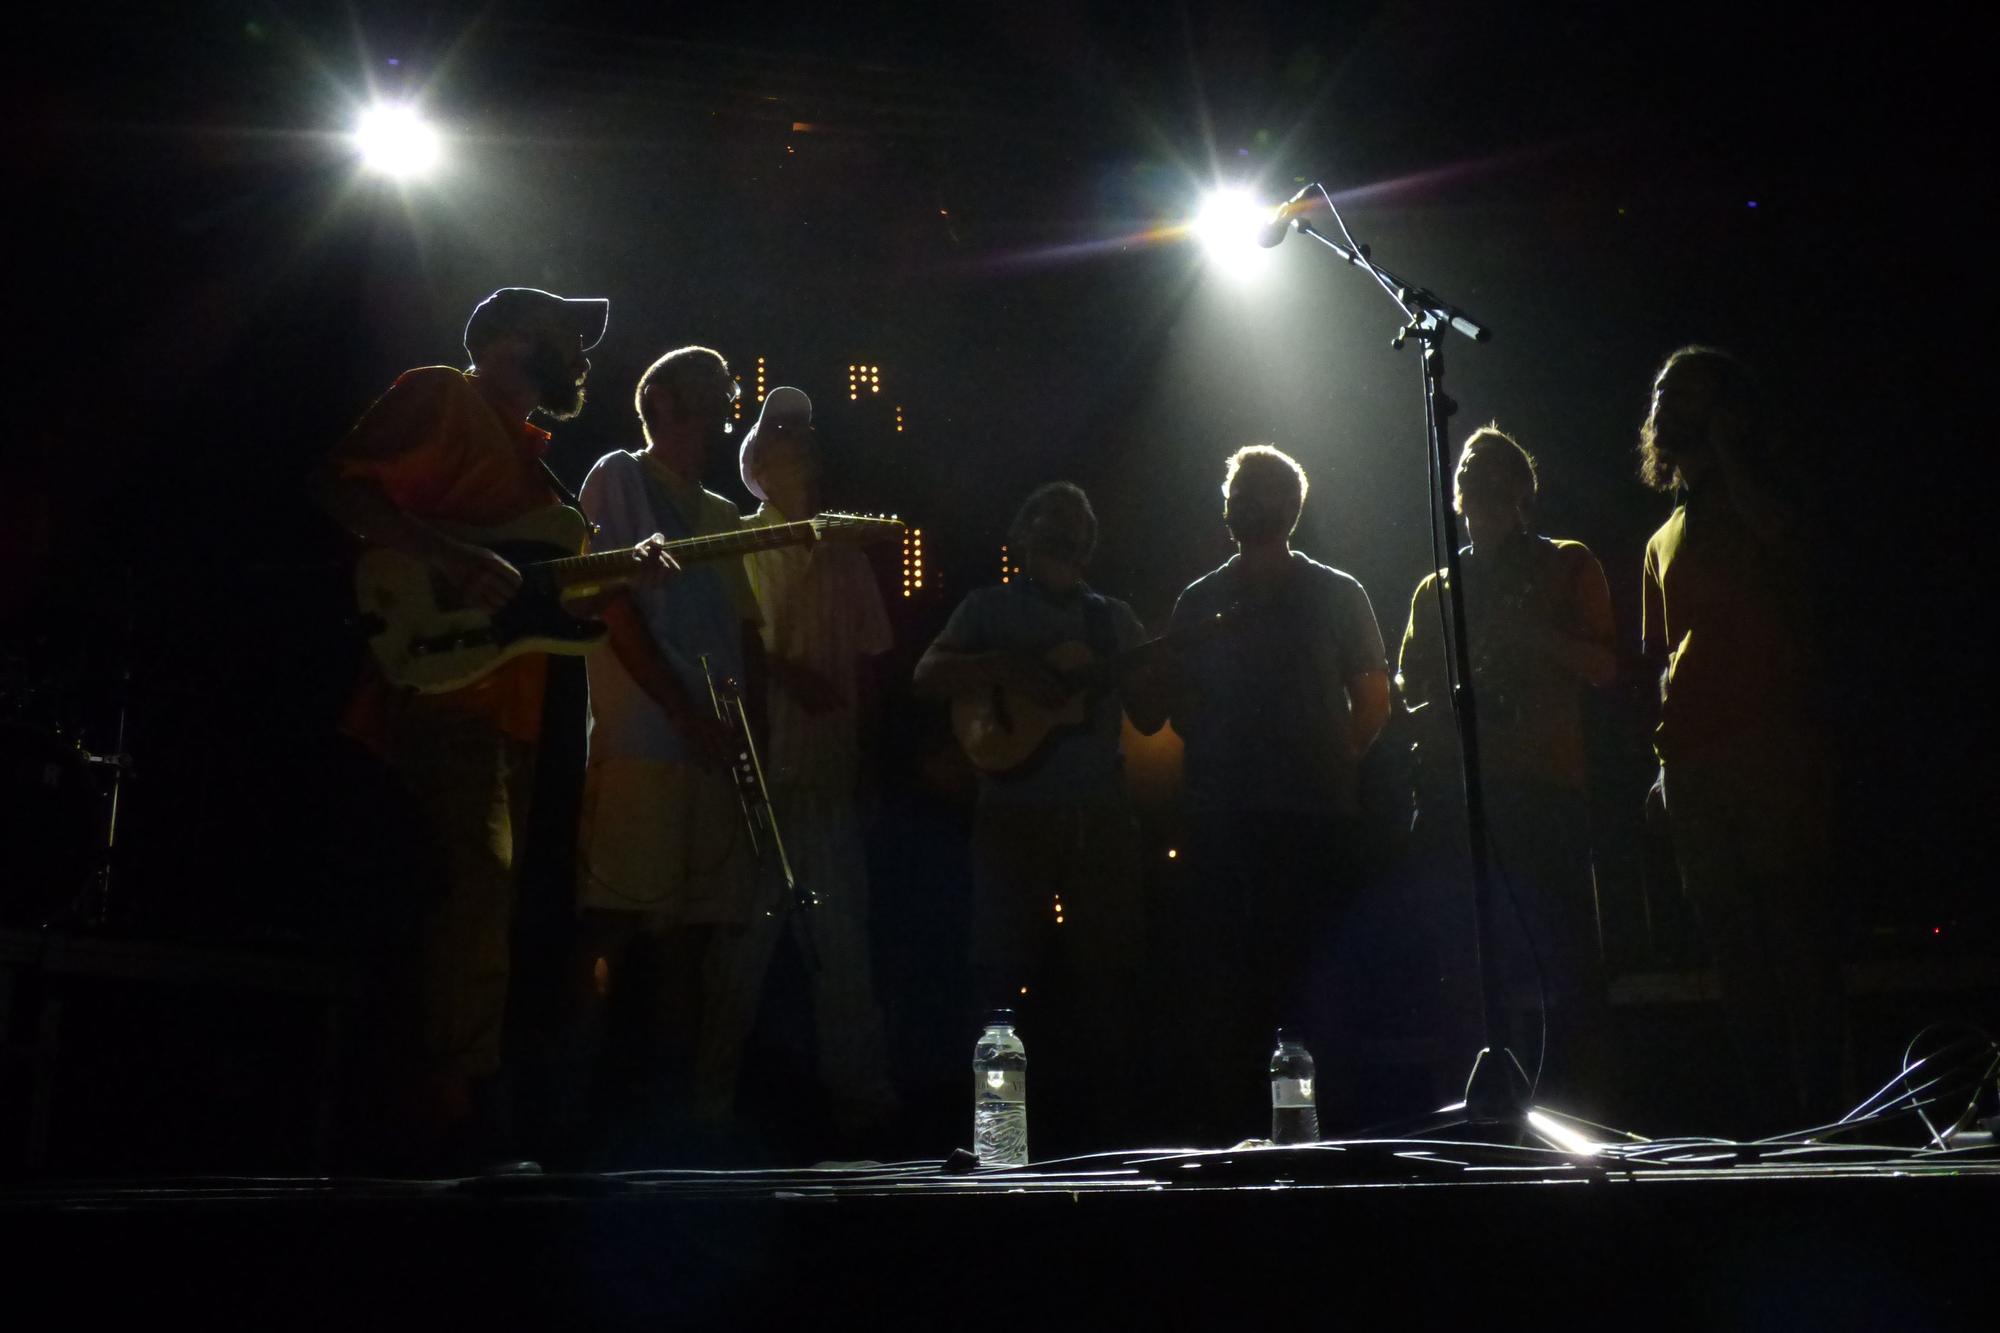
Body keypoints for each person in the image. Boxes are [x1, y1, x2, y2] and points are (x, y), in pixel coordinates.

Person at [313, 287, 678, 1169]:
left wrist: (623, 571)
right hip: (440, 696)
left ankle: (455, 1106)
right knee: (471, 893)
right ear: (512, 336)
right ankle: (445, 1113)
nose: (582, 355)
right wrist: (449, 555)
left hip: (506, 712)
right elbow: (340, 489)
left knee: (483, 906)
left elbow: (543, 591)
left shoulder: (538, 467)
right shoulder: (443, 394)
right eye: (566, 335)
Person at [913, 482, 1162, 1153]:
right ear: (1024, 535)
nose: (1065, 535)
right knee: (996, 977)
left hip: (1098, 820)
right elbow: (926, 673)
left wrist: (1160, 671)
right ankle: (991, 1138)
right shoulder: (988, 609)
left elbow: (1149, 716)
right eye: (1052, 524)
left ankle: (1115, 1140)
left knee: (1109, 977)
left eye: (1077, 526)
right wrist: (1003, 667)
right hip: (1012, 819)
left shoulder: (1115, 619)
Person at [569, 344, 771, 1157]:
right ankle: (572, 1106)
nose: (714, 415)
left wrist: (739, 732)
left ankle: (674, 1127)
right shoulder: (618, 473)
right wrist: (681, 708)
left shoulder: (722, 512)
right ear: (658, 405)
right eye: (698, 398)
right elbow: (609, 602)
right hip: (646, 737)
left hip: (708, 747)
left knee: (689, 936)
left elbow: (748, 633)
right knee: (614, 919)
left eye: (718, 401)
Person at [1637, 345, 1842, 1133]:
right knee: (1736, 958)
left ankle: (1823, 1123)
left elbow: (1794, 550)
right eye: (1661, 391)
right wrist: (1663, 768)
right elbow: (1663, 664)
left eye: (1683, 390)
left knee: (1797, 943)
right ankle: (1770, 1123)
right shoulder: (1660, 538)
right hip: (1693, 764)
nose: (1665, 402)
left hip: (1773, 747)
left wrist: (1730, 451)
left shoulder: (1763, 497)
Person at [1165, 444, 1389, 1137]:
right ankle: (1247, 1129)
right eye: (1243, 491)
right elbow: (1372, 699)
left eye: (1257, 492)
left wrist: (1329, 763)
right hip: (1240, 818)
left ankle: (1311, 1130)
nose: (1247, 504)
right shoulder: (1203, 600)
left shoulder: (1330, 591)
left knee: (1297, 978)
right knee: (1244, 985)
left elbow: (1373, 698)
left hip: (1297, 820)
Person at [1397, 424, 1617, 1111]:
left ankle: (1579, 1109)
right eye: (1468, 480)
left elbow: (1608, 666)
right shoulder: (1438, 587)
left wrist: (1536, 638)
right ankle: (1483, 1115)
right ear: (1456, 497)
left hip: (1547, 789)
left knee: (1564, 962)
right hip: (1467, 797)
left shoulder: (1569, 562)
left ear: (1523, 493)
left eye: (1496, 480)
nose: (1479, 492)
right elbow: (1410, 692)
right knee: (1468, 969)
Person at [706, 385, 901, 1145]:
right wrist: (786, 677)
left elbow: (872, 667)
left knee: (843, 947)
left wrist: (868, 768)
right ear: (756, 457)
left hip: (827, 773)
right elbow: (728, 644)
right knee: (737, 952)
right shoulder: (733, 536)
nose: (799, 446)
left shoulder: (843, 549)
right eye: (782, 433)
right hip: (758, 775)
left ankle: (865, 1104)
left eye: (805, 435)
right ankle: (705, 1104)